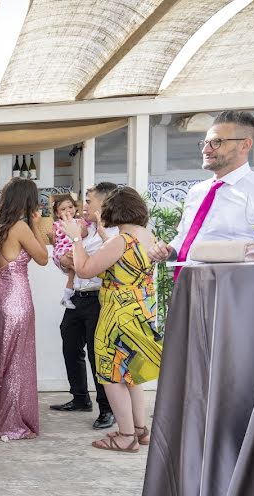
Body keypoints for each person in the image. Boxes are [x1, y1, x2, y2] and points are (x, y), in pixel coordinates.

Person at [60, 186, 163, 452]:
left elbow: (84, 270)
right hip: (142, 309)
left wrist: (75, 239)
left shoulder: (121, 240)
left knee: (111, 374)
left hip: (119, 313)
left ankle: (126, 436)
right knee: (132, 373)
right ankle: (139, 430)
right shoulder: (146, 236)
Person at [148, 111, 254, 273]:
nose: (205, 149)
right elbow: (184, 238)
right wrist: (169, 251)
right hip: (190, 284)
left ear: (245, 145)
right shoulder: (197, 192)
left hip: (236, 288)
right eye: (205, 142)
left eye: (216, 142)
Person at [49, 183, 118, 430]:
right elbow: (66, 259)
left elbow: (91, 265)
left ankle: (107, 409)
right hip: (77, 296)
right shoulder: (85, 229)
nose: (84, 206)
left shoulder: (111, 233)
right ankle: (80, 398)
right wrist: (63, 260)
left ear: (104, 202)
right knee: (70, 345)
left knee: (97, 356)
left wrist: (75, 256)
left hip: (98, 298)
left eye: (89, 201)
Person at [0, 178, 48, 440]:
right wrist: (35, 224)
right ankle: (11, 423)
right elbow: (43, 258)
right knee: (16, 361)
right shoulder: (20, 226)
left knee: (0, 358)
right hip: (17, 299)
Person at [47, 194, 88, 309]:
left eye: (70, 207)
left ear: (75, 208)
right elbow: (55, 243)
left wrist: (83, 227)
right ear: (57, 213)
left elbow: (84, 235)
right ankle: (74, 290)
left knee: (72, 273)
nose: (68, 211)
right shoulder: (57, 224)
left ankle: (67, 296)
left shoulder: (79, 221)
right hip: (62, 251)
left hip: (74, 249)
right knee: (76, 268)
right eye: (63, 209)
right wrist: (51, 237)